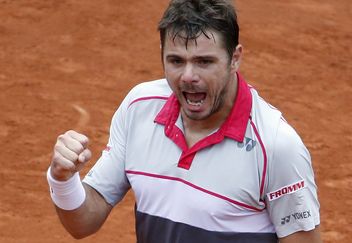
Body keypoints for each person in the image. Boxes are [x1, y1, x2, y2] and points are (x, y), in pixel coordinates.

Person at [46, 0, 322, 242]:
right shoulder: (139, 108)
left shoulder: (276, 146)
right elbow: (83, 222)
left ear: (234, 58)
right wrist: (63, 180)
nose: (188, 76)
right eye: (176, 61)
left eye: (204, 62)